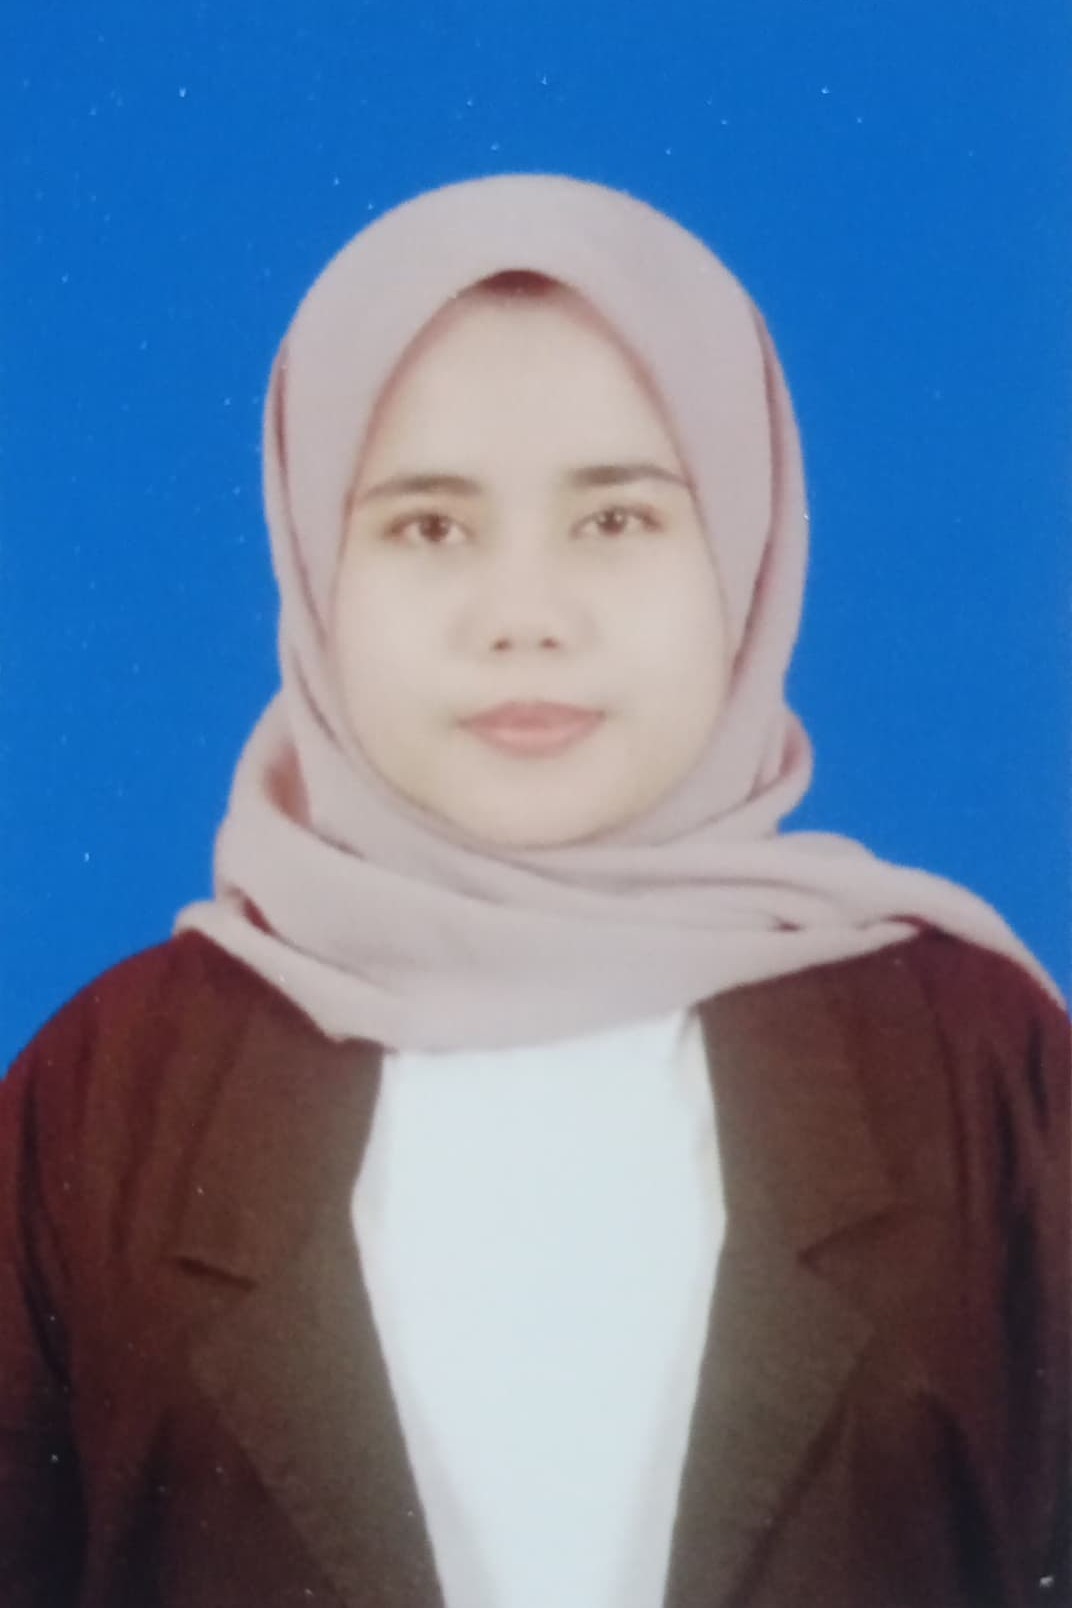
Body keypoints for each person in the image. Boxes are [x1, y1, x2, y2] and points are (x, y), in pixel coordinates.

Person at [0, 173, 1067, 1608]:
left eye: (616, 520)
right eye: (429, 527)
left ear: (742, 549)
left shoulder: (984, 1065)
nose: (525, 617)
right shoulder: (104, 1098)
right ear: (315, 565)